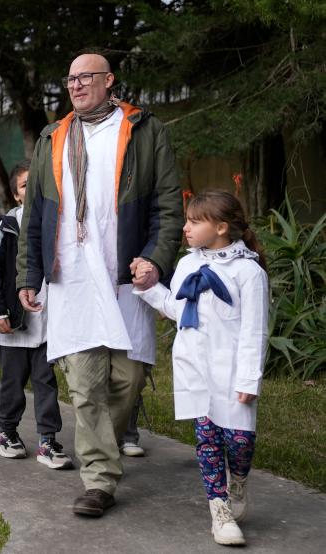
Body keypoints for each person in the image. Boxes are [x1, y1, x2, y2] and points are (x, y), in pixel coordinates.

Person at [16, 52, 182, 517]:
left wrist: (155, 258)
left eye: (85, 76)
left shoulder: (146, 131)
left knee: (127, 380)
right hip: (71, 276)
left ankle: (106, 447)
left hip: (125, 276)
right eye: (69, 78)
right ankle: (100, 479)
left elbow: (168, 206)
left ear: (109, 80)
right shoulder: (54, 135)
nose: (75, 85)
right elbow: (35, 217)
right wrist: (29, 274)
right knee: (86, 386)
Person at [133, 190, 268, 546]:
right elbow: (177, 310)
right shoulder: (189, 264)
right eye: (187, 220)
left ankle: (238, 480)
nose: (186, 228)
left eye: (195, 221)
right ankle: (219, 509)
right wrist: (148, 288)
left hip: (232, 371)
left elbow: (255, 330)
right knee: (206, 441)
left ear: (221, 227)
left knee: (238, 442)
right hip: (194, 368)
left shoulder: (248, 272)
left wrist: (249, 378)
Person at [0, 160, 73, 470]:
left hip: (47, 325)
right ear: (17, 196)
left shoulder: (59, 226)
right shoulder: (6, 227)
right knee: (13, 384)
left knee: (46, 382)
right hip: (13, 323)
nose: (32, 190)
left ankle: (48, 439)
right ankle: (6, 431)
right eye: (25, 186)